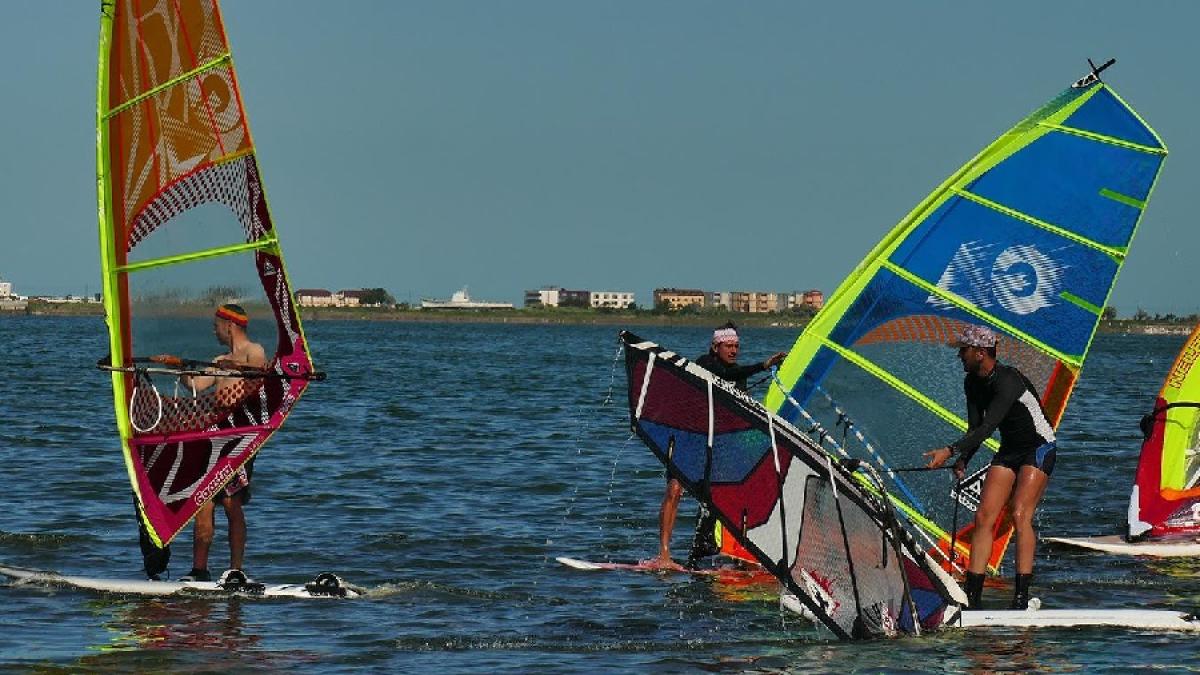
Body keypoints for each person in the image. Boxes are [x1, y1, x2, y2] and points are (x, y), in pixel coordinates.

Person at [924, 324, 1056, 610]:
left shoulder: (1008, 380)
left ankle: (1020, 598)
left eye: (964, 350)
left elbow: (987, 426)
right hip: (1009, 450)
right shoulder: (971, 382)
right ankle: (973, 598)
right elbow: (974, 427)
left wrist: (948, 451)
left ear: (980, 353)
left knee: (1020, 514)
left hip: (1038, 447)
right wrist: (963, 460)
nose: (960, 356)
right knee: (984, 516)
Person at [645, 322, 786, 570]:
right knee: (675, 490)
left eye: (736, 346)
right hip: (690, 440)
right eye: (728, 346)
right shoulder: (704, 364)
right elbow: (726, 376)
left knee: (720, 498)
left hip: (719, 444)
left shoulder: (739, 377)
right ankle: (664, 555)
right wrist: (763, 365)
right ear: (715, 347)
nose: (733, 351)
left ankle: (708, 552)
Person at [151, 303, 267, 584]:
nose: (214, 331)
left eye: (216, 325)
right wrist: (178, 366)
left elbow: (258, 373)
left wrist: (234, 366)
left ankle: (236, 569)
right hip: (214, 438)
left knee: (230, 503)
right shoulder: (219, 358)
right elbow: (196, 386)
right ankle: (199, 569)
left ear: (230, 325)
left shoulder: (255, 351)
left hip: (240, 437)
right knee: (202, 503)